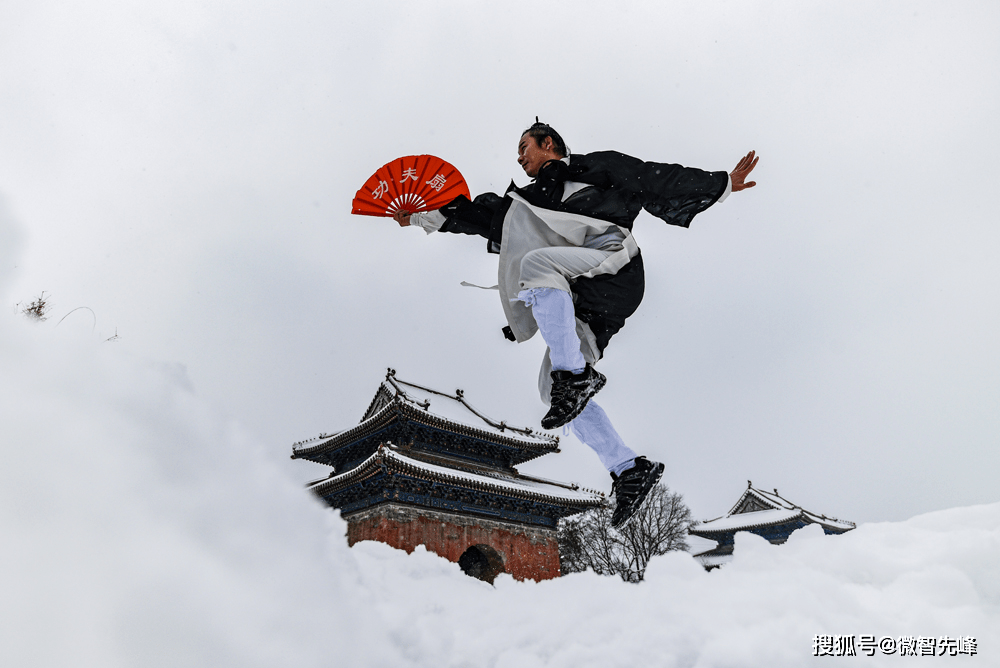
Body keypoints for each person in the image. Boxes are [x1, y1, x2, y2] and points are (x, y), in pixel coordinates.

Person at [393, 122, 758, 528]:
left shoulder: (596, 169)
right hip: (586, 301)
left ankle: (576, 378)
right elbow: (481, 213)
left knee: (537, 265)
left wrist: (721, 183)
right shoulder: (527, 201)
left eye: (523, 147)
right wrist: (419, 219)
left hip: (615, 265)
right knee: (549, 388)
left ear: (548, 144)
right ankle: (628, 469)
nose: (519, 157)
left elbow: (656, 176)